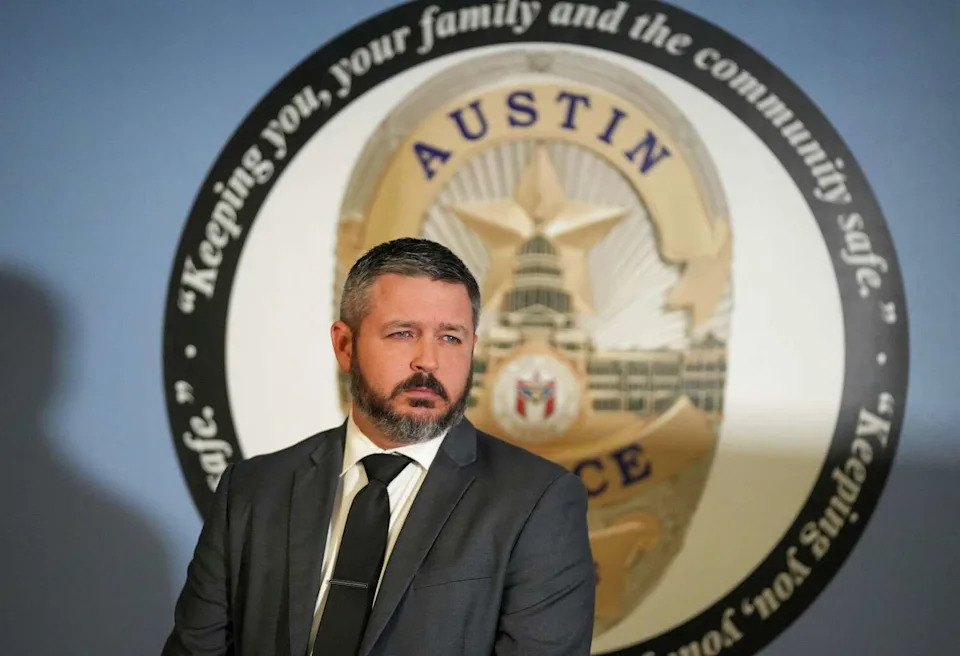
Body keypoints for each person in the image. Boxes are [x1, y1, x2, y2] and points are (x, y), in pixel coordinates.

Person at [162, 237, 595, 656]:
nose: (429, 360)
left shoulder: (538, 501)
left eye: (451, 338)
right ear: (345, 345)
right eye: (403, 333)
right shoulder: (253, 490)